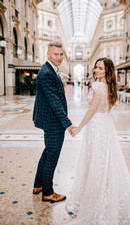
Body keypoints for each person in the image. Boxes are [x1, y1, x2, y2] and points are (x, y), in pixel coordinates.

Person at [66, 58, 130, 224]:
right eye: (96, 67)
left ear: (107, 71)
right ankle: (104, 196)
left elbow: (93, 109)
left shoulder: (98, 86)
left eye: (100, 68)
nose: (96, 70)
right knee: (104, 162)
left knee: (96, 162)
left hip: (96, 127)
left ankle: (96, 201)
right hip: (105, 126)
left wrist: (79, 126)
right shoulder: (109, 86)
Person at [33, 40, 75, 202]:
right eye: (55, 54)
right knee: (52, 156)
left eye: (61, 54)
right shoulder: (47, 73)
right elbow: (54, 102)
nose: (59, 57)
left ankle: (38, 185)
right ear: (48, 54)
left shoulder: (49, 70)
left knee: (47, 153)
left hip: (50, 121)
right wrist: (68, 124)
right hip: (53, 123)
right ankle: (48, 193)